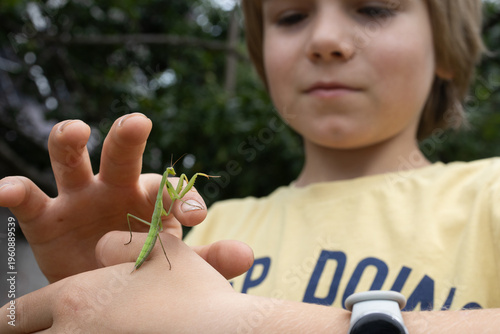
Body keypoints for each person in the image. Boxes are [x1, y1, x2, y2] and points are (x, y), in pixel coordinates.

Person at [1, 0, 499, 332]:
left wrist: (244, 324)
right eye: (290, 16)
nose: (325, 39)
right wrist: (103, 291)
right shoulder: (204, 232)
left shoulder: (489, 193)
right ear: (261, 59)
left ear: (447, 51)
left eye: (373, 8)